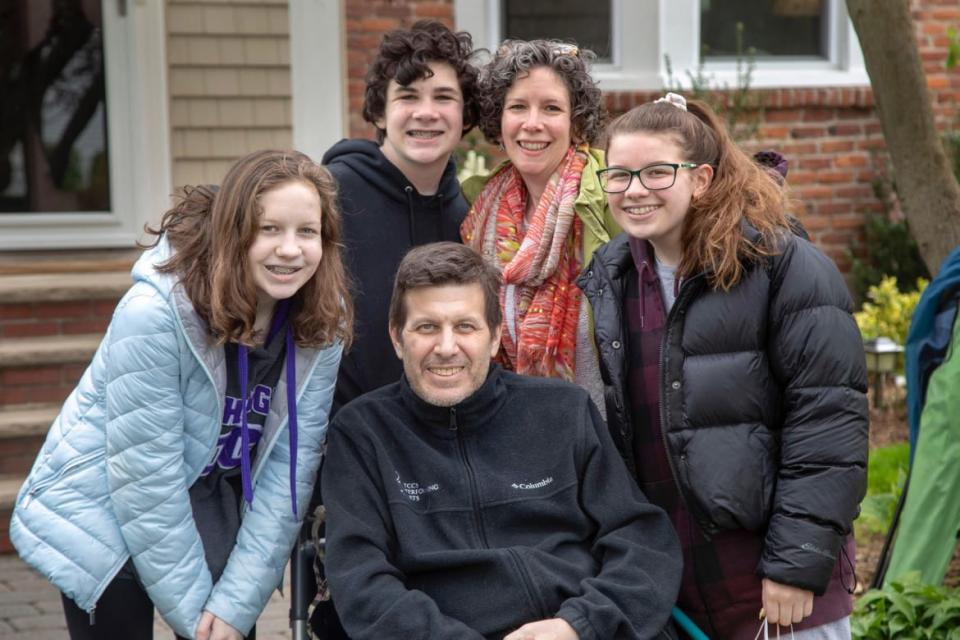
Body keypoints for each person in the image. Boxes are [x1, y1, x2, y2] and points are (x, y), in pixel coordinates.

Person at [10, 149, 352, 640]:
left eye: (307, 231)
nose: (290, 249)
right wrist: (198, 622)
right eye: (269, 229)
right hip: (106, 510)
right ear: (235, 232)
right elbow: (147, 486)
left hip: (212, 501)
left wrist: (235, 607)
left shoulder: (322, 322)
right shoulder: (154, 314)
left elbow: (287, 479)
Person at [578, 93, 869, 639]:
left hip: (776, 588)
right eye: (618, 175)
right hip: (676, 589)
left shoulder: (785, 268)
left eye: (657, 172)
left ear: (702, 178)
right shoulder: (608, 279)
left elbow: (829, 428)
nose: (634, 190)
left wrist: (796, 563)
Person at [321, 242, 682, 640]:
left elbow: (641, 539)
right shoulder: (362, 433)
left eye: (465, 326)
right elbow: (361, 582)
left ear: (494, 337)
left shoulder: (562, 410)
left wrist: (579, 625)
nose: (445, 348)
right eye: (427, 327)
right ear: (397, 337)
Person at [323, 19, 480, 410]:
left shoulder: (470, 217)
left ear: (464, 116)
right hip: (338, 436)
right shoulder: (327, 196)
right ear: (379, 113)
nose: (426, 113)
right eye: (408, 97)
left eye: (443, 97)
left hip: (435, 439)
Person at [460, 39, 619, 415]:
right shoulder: (479, 209)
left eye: (551, 108)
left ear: (575, 120)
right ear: (499, 118)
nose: (533, 124)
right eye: (518, 107)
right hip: (516, 431)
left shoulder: (614, 193)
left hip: (609, 433)